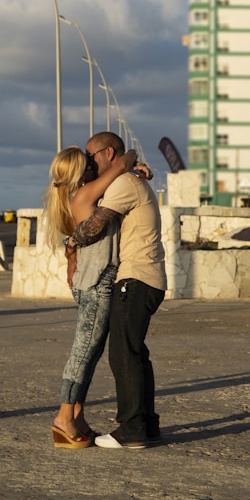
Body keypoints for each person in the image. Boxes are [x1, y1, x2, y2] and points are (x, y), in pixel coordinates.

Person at [67, 131, 166, 450]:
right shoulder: (126, 179)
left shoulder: (123, 185)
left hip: (135, 278)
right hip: (146, 277)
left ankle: (133, 429)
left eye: (92, 155)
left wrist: (70, 242)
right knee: (135, 353)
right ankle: (146, 425)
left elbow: (93, 228)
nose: (89, 161)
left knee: (124, 355)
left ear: (109, 154)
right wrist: (133, 162)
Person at [42, 145, 146, 449]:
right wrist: (132, 163)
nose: (93, 165)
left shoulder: (82, 195)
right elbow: (126, 159)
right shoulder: (85, 195)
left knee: (90, 353)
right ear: (81, 172)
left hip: (93, 280)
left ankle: (76, 416)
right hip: (97, 282)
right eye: (88, 162)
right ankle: (64, 418)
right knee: (83, 353)